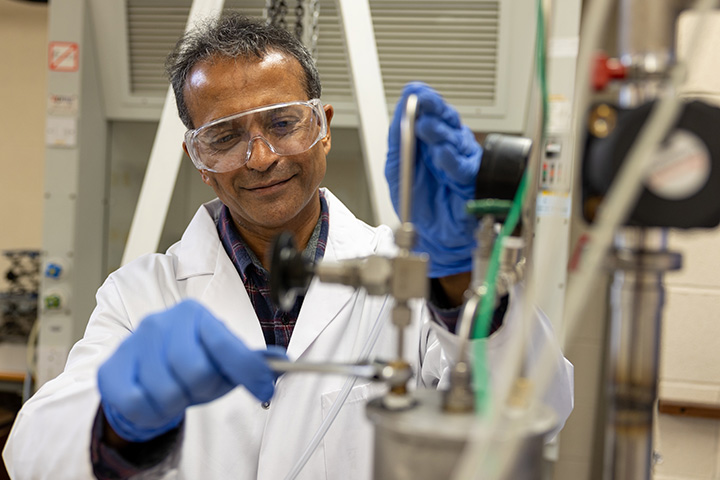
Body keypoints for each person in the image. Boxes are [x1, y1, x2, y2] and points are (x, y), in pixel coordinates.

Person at [3, 13, 573, 480]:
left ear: (322, 125)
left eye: (282, 123)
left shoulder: (412, 278)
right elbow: (32, 453)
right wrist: (119, 426)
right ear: (198, 161)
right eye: (225, 137)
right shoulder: (139, 297)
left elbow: (541, 408)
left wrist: (463, 286)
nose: (262, 158)